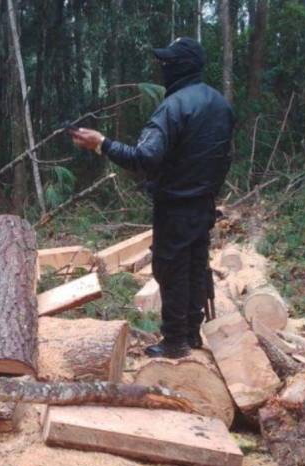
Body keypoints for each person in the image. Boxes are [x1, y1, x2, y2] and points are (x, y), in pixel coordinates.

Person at [71, 38, 234, 358]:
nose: (163, 69)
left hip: (175, 205)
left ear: (180, 66)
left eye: (167, 64)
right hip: (204, 203)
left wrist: (101, 143)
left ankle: (175, 341)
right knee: (195, 266)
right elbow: (225, 156)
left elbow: (144, 158)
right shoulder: (221, 105)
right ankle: (191, 334)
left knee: (172, 270)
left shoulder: (173, 107)